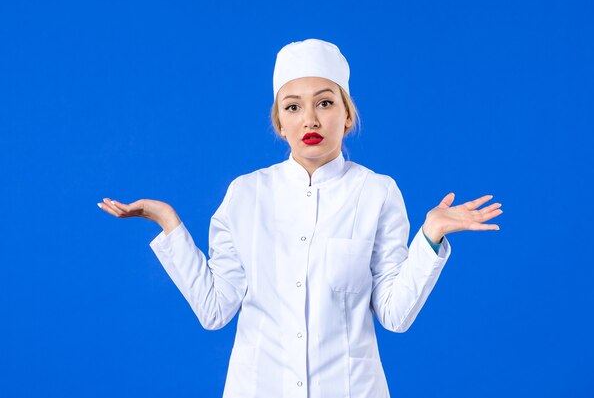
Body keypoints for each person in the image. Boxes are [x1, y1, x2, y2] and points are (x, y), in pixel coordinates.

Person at [98, 38, 502, 398]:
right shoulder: (246, 194)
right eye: (293, 107)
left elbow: (394, 316)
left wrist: (430, 236)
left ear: (346, 115)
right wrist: (169, 223)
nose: (310, 119)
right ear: (280, 123)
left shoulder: (377, 192)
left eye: (325, 102)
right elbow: (215, 309)